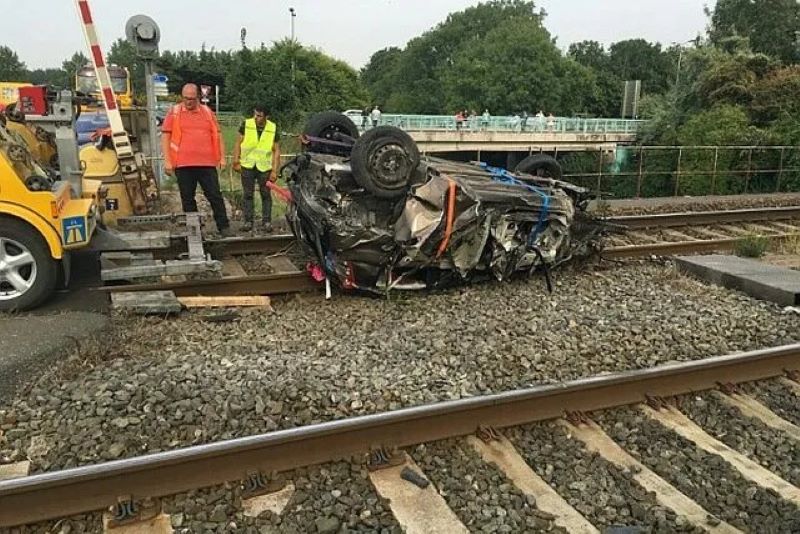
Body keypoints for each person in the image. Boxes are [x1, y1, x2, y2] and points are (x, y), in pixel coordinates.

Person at [161, 83, 231, 236]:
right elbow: (165, 136)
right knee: (187, 198)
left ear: (198, 97)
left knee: (214, 195)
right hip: (183, 163)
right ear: (182, 97)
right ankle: (194, 230)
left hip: (206, 163)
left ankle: (224, 227)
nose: (188, 102)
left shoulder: (207, 112)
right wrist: (167, 161)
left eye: (192, 99)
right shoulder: (174, 112)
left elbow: (218, 135)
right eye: (186, 98)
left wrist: (222, 158)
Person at [232, 104, 281, 233]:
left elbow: (276, 150)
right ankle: (248, 221)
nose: (255, 117)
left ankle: (267, 222)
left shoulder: (272, 128)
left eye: (259, 115)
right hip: (247, 165)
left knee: (266, 195)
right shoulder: (246, 124)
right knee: (248, 194)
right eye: (254, 114)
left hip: (264, 167)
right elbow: (238, 142)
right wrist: (235, 160)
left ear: (266, 116)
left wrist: (275, 170)